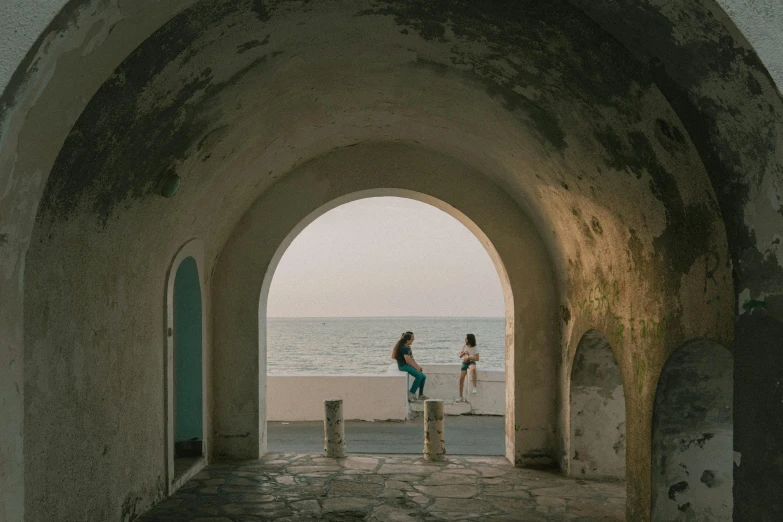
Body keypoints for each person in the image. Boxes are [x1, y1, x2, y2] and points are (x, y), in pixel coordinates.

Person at [393, 331, 428, 401]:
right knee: (419, 376)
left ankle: (421, 394)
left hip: (406, 365)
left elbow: (412, 359)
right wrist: (416, 368)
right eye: (412, 339)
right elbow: (408, 361)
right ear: (407, 340)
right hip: (403, 366)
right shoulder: (403, 348)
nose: (413, 340)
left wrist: (418, 367)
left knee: (423, 376)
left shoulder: (407, 347)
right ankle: (411, 393)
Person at [456, 333, 479, 403]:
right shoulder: (464, 346)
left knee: (473, 369)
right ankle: (460, 397)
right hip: (465, 363)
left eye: (466, 338)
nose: (465, 339)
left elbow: (477, 358)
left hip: (471, 362)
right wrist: (463, 353)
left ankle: (474, 387)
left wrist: (469, 357)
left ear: (469, 340)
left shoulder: (475, 348)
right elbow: (460, 356)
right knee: (461, 380)